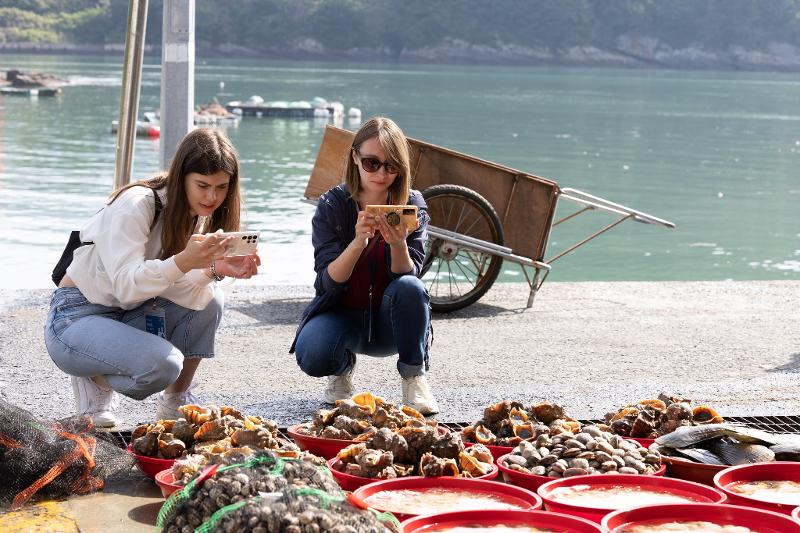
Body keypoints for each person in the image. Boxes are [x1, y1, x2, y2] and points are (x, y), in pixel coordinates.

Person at [44, 129, 260, 427]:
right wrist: (184, 260)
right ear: (181, 175)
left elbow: (171, 286)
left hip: (129, 312)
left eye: (221, 187)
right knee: (162, 365)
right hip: (77, 316)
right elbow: (126, 287)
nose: (212, 197)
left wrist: (215, 270)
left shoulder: (192, 210)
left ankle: (175, 401)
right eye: (203, 185)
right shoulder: (138, 203)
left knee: (211, 300)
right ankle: (93, 379)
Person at [291, 116, 439, 415]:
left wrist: (398, 242)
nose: (381, 173)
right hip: (342, 315)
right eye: (372, 162)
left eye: (391, 165)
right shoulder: (333, 204)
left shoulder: (412, 203)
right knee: (313, 354)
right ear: (355, 157)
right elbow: (327, 282)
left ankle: (414, 377)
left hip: (391, 322)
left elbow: (411, 278)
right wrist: (357, 242)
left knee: (411, 287)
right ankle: (342, 367)